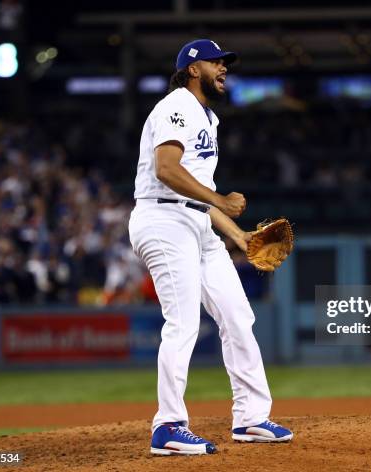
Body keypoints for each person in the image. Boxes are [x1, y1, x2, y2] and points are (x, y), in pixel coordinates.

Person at [128, 39, 293, 456]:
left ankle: (252, 419)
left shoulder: (208, 118)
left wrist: (237, 236)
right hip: (163, 220)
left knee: (238, 315)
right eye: (216, 62)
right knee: (182, 322)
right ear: (191, 68)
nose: (223, 68)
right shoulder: (176, 105)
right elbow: (167, 170)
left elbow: (199, 195)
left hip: (196, 222)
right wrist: (220, 201)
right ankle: (167, 425)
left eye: (225, 63)